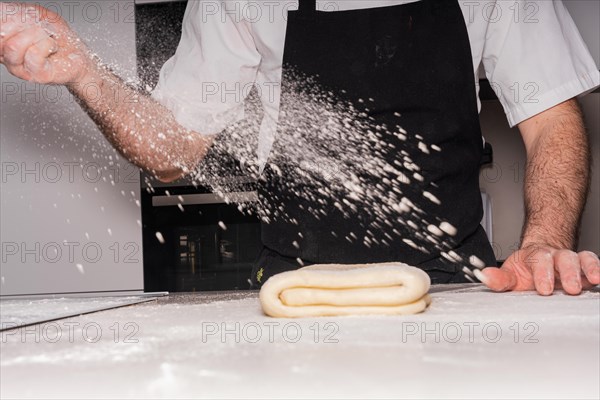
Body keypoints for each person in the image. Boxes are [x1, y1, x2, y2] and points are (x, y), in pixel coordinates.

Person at [1, 0, 599, 295]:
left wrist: (544, 242)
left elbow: (551, 119)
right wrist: (87, 73)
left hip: (457, 280)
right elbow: (170, 145)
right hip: (295, 286)